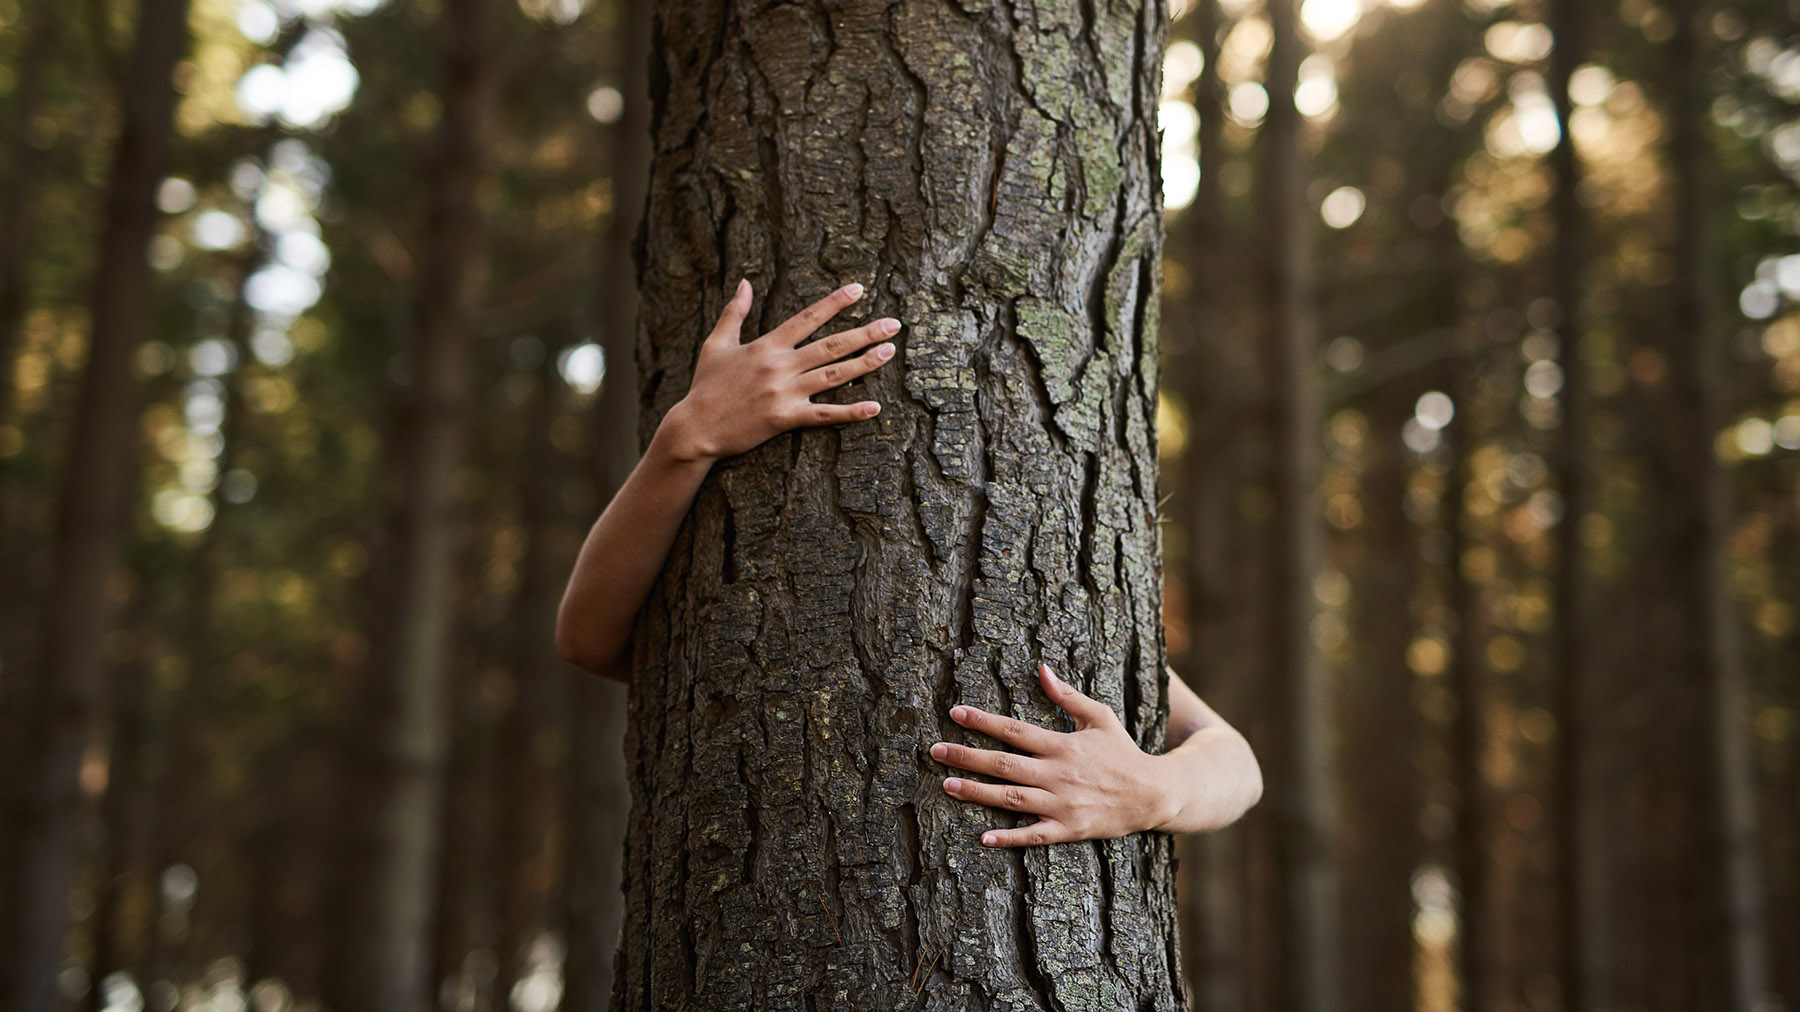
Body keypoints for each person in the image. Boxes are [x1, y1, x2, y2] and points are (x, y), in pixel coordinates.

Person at [557, 279, 1263, 847]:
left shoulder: (1073, 615)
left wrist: (1154, 792)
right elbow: (589, 637)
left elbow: (1234, 759)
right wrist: (686, 441)